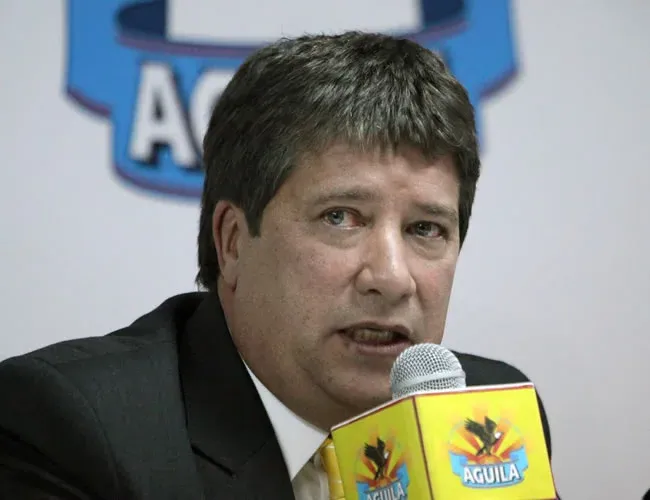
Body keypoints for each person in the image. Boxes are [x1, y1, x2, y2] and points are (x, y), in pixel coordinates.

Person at [0, 31, 555, 499]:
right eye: (341, 217)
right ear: (233, 242)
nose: (391, 278)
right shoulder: (72, 430)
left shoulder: (489, 421)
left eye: (425, 229)